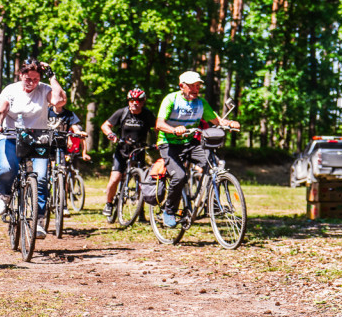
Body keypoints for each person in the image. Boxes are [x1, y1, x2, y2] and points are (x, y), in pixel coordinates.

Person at [0, 58, 67, 239]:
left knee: (40, 179)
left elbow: (60, 101)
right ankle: (4, 195)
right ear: (21, 75)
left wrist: (52, 76)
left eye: (36, 79)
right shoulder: (11, 89)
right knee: (7, 169)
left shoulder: (45, 89)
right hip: (10, 137)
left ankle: (38, 220)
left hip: (38, 139)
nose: (31, 82)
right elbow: (0, 110)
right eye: (28, 78)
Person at [154, 71, 239, 228]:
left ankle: (210, 202)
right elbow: (159, 124)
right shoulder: (171, 99)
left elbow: (216, 120)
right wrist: (173, 130)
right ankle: (169, 211)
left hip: (190, 142)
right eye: (192, 85)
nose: (195, 89)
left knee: (213, 165)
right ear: (181, 86)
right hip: (168, 143)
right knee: (179, 176)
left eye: (198, 86)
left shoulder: (201, 103)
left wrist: (230, 123)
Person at [100, 88, 156, 219]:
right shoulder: (122, 113)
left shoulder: (147, 115)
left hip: (139, 150)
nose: (134, 103)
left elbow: (157, 128)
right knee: (115, 179)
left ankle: (140, 211)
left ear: (143, 102)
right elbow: (105, 126)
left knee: (141, 181)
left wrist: (159, 142)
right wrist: (111, 134)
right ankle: (109, 204)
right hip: (122, 150)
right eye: (132, 100)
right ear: (128, 101)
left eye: (138, 100)